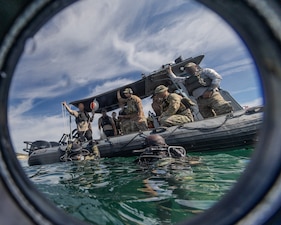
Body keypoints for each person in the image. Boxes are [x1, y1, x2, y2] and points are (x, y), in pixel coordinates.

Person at [167, 63, 233, 118]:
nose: (188, 70)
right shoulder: (187, 79)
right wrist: (170, 72)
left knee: (223, 110)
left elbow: (217, 78)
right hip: (200, 101)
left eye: (190, 68)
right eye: (187, 69)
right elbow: (175, 79)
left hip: (212, 96)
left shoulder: (205, 71)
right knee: (208, 118)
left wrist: (210, 90)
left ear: (196, 66)